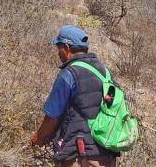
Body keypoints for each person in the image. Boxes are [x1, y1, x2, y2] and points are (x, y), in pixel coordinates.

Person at [30, 26, 118, 167]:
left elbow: (52, 116)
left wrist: (38, 139)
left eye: (59, 48)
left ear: (66, 47)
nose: (58, 53)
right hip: (106, 156)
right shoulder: (105, 74)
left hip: (79, 154)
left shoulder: (68, 74)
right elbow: (110, 106)